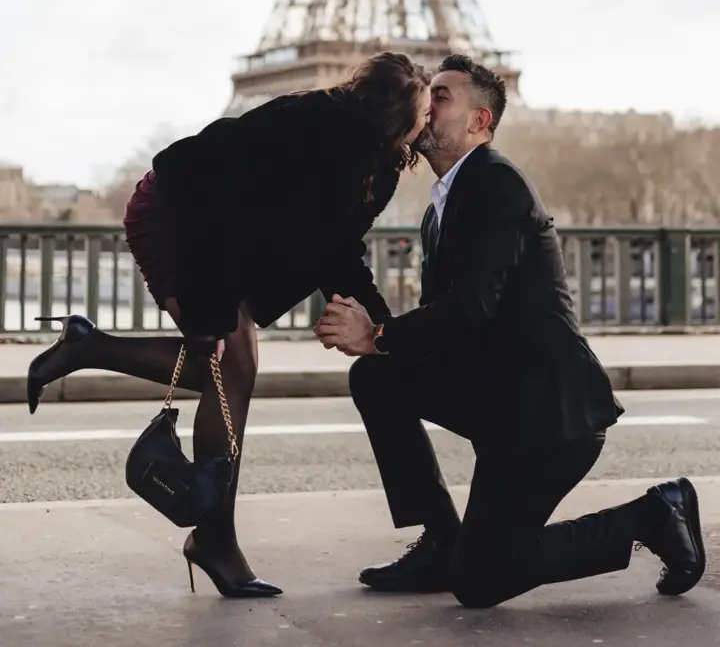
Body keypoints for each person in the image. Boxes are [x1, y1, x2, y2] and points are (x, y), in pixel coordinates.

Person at [26, 52, 431, 599]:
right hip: (177, 212)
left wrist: (382, 329)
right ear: (394, 115)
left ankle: (88, 346)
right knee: (232, 364)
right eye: (425, 113)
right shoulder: (305, 121)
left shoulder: (376, 167)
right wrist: (209, 309)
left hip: (227, 242)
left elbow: (337, 250)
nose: (429, 124)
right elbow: (216, 203)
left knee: (225, 364)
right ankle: (215, 539)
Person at [314, 54, 705, 608]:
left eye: (442, 96)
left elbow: (472, 307)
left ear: (479, 122)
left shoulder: (496, 184)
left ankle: (653, 516)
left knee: (481, 580)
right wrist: (378, 344)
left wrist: (377, 334)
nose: (426, 104)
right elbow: (448, 326)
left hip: (548, 415)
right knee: (376, 380)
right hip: (502, 400)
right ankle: (440, 539)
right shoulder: (443, 204)